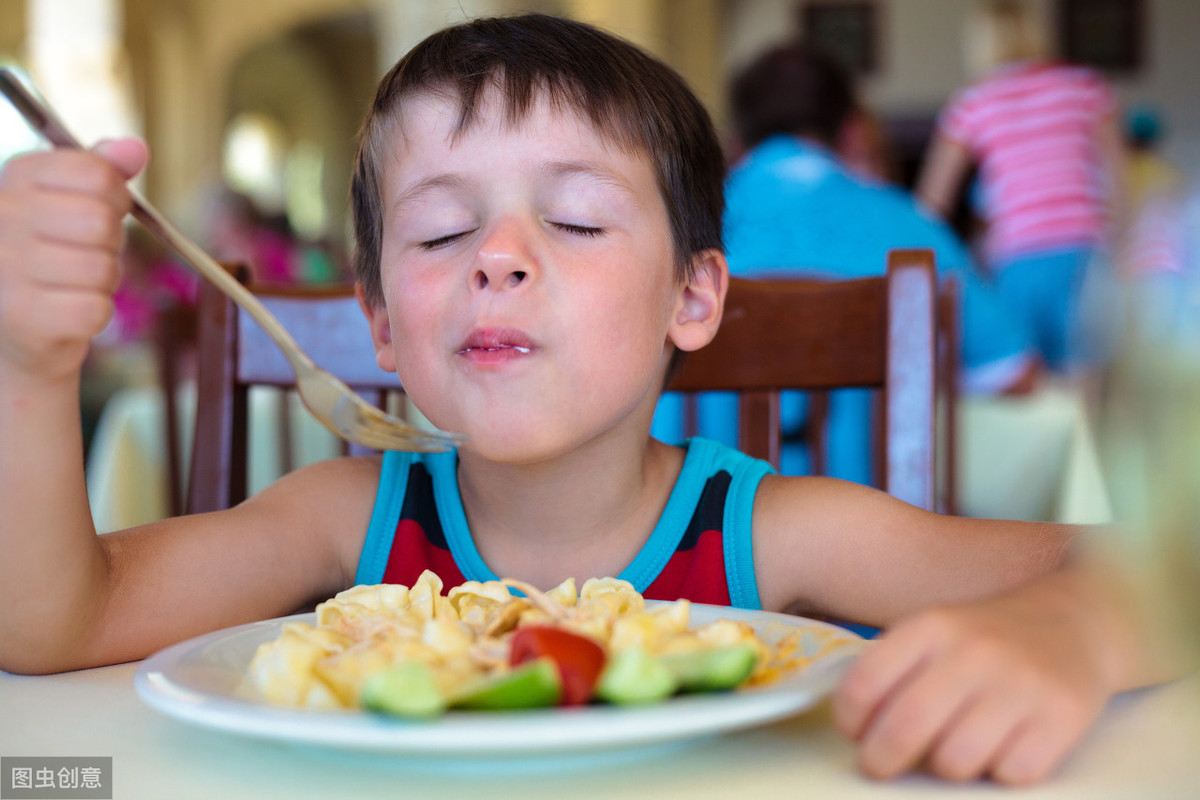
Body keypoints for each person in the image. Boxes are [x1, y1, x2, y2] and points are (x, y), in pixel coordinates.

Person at [0, 13, 1184, 786]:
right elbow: (54, 623)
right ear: (378, 326)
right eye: (443, 228)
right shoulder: (340, 518)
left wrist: (1070, 627)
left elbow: (1164, 568)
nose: (499, 257)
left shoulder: (775, 536)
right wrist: (27, 370)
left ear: (693, 295)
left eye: (573, 219)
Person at [654, 40, 1037, 484]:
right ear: (852, 132)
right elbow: (1015, 374)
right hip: (878, 536)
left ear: (736, 140)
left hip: (701, 536)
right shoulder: (910, 225)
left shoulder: (675, 228)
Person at [916, 0, 1124, 373]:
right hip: (1086, 253)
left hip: (1017, 257)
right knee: (1092, 384)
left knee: (1030, 385)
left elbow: (930, 207)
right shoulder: (1084, 85)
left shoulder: (974, 102)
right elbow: (1119, 181)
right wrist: (1126, 254)